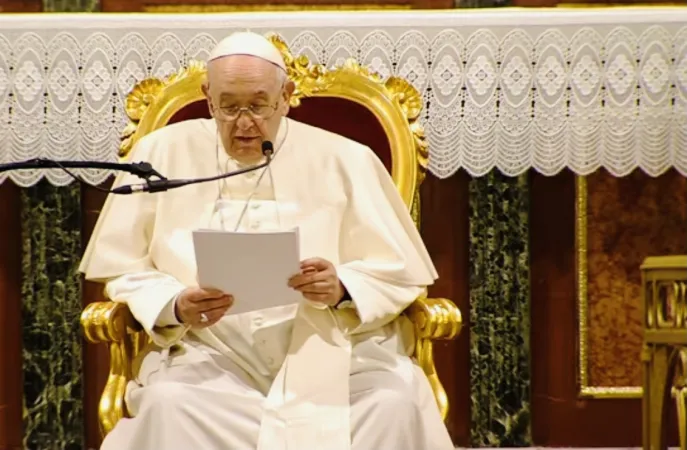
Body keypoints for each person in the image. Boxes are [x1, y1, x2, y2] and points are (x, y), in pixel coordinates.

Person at [80, 31, 454, 450]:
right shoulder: (160, 154)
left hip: (338, 352)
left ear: (287, 95)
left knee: (394, 403)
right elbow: (123, 265)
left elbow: (399, 270)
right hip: (210, 356)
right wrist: (174, 304)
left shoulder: (347, 158)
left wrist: (343, 287)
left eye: (258, 105)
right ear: (207, 97)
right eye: (228, 106)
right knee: (170, 403)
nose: (244, 122)